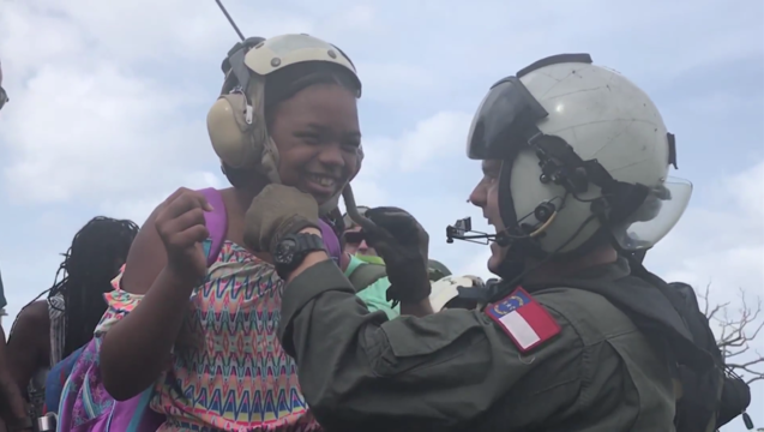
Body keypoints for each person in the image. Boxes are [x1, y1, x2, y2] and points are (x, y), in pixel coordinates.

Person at [243, 53, 717, 430]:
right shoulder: (608, 304)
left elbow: (355, 380)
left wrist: (300, 241)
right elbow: (442, 395)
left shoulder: (573, 334)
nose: (476, 196)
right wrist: (413, 293)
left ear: (553, 189)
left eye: (492, 176)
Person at [86, 33, 390, 431]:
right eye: (312, 137)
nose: (336, 159)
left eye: (349, 144)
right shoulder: (190, 222)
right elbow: (120, 377)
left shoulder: (322, 242)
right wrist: (178, 277)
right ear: (246, 133)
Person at [6, 217, 138, 422]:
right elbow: (7, 401)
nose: (118, 282)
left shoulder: (135, 320)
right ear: (87, 271)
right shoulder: (41, 320)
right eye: (113, 271)